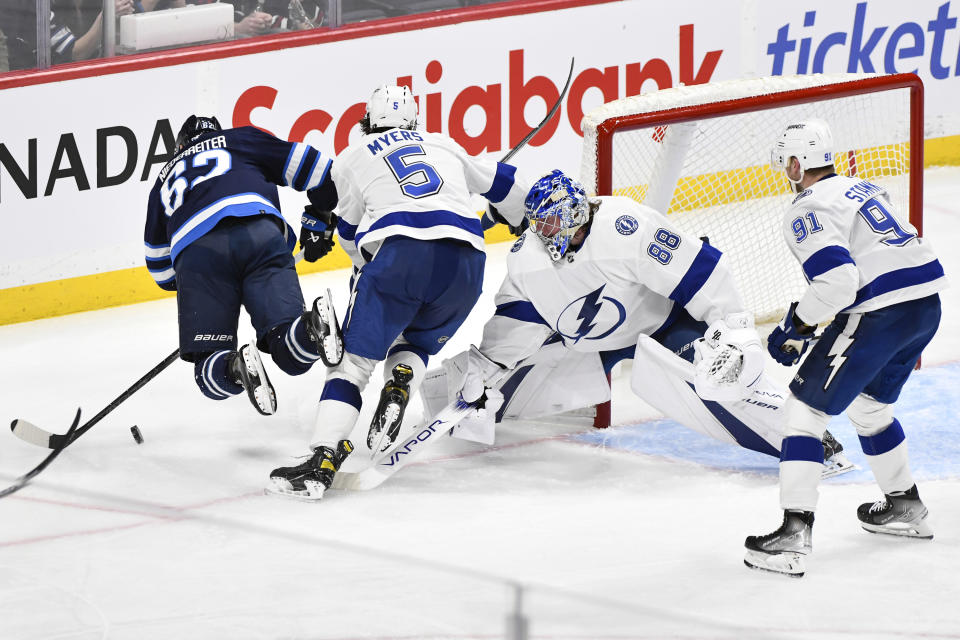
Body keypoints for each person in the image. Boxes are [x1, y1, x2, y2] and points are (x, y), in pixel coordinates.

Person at [438, 169, 850, 473]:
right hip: (594, 344)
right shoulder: (527, 258)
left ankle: (806, 438)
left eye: (553, 222)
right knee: (493, 394)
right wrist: (485, 372)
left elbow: (701, 274)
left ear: (575, 212)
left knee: (719, 375)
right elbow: (517, 320)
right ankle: (435, 390)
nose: (546, 233)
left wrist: (732, 331)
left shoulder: (626, 226)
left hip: (664, 324)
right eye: (540, 224)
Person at [267, 84, 530, 500]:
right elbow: (506, 185)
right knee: (416, 341)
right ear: (414, 121)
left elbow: (353, 237)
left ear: (368, 122)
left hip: (400, 257)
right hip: (468, 265)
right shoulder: (443, 143)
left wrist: (368, 273)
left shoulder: (354, 156)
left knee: (351, 366)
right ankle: (402, 380)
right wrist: (515, 218)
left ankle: (322, 460)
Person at [743, 119, 948, 577]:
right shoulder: (865, 186)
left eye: (787, 165)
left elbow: (839, 283)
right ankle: (906, 507)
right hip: (926, 308)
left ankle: (794, 533)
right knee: (870, 408)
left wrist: (796, 323)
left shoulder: (806, 207)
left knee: (803, 410)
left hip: (881, 315)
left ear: (796, 164)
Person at [144, 114, 341, 416]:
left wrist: (201, 287)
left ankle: (236, 366)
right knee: (291, 352)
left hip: (198, 256)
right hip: (261, 237)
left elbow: (160, 270)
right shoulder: (242, 139)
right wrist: (322, 216)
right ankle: (312, 325)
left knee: (209, 374)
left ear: (180, 146)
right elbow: (320, 170)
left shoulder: (161, 181)